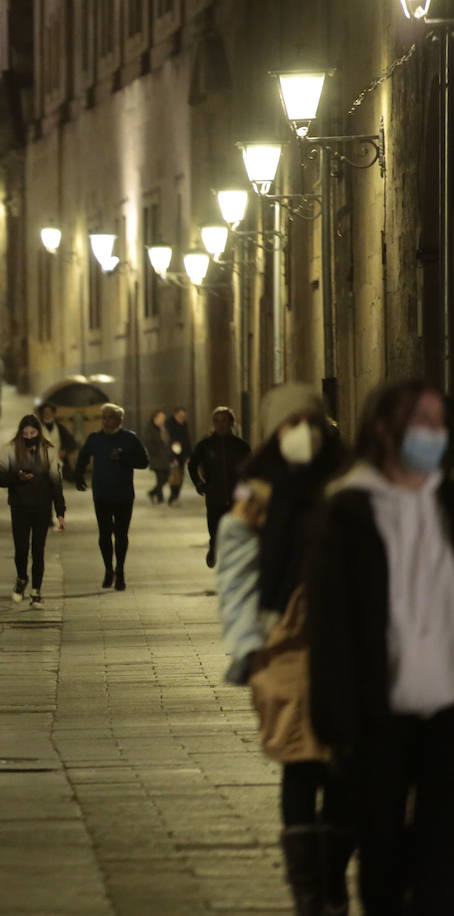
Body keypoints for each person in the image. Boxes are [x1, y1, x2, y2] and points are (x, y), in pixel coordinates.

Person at [309, 380, 454, 915]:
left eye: (439, 424)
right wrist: (336, 720)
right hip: (379, 710)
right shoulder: (350, 510)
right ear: (384, 429)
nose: (432, 435)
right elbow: (332, 624)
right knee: (383, 852)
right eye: (421, 423)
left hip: (447, 710)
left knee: (442, 856)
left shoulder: (447, 503)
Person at [216, 383, 352, 915]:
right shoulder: (258, 490)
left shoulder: (346, 482)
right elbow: (236, 569)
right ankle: (309, 893)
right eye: (290, 424)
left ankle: (332, 879)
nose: (302, 434)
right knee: (300, 760)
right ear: (275, 432)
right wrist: (248, 642)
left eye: (310, 423)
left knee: (342, 760)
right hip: (283, 643)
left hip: (342, 638)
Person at [74, 403, 150, 591]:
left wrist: (124, 458)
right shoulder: (95, 439)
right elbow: (83, 457)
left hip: (124, 495)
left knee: (122, 535)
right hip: (101, 494)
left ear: (119, 420)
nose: (106, 421)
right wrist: (79, 476)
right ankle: (109, 569)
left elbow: (144, 462)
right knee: (105, 535)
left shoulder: (129, 438)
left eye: (110, 417)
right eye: (104, 417)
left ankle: (120, 570)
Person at [0, 415, 66, 609]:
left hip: (42, 507)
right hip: (19, 506)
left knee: (38, 550)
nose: (28, 436)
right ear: (20, 433)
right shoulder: (10, 450)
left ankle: (36, 591)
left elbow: (55, 483)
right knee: (21, 548)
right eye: (25, 433)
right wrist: (17, 477)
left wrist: (60, 512)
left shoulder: (48, 451)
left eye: (32, 433)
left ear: (38, 433)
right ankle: (21, 577)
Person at [187, 406, 252, 568]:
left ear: (231, 422)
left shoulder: (241, 446)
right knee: (215, 529)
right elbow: (192, 464)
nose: (220, 424)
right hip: (214, 494)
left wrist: (245, 493)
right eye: (216, 421)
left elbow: (250, 470)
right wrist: (199, 484)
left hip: (236, 496)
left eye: (224, 421)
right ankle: (213, 546)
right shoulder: (206, 445)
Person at [37, 402, 78, 479]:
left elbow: (71, 442)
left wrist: (64, 450)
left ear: (53, 413)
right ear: (42, 414)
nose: (47, 414)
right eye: (45, 412)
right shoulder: (37, 428)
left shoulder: (60, 427)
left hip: (58, 458)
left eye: (49, 412)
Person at [144, 409, 174, 504]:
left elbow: (168, 442)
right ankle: (159, 498)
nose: (163, 420)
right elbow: (149, 443)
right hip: (157, 458)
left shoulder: (164, 428)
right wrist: (155, 452)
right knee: (161, 478)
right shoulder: (151, 429)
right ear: (155, 418)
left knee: (165, 478)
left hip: (165, 458)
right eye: (161, 418)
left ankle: (152, 493)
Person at [165, 406, 192, 505]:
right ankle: (173, 496)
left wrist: (188, 455)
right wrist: (173, 457)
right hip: (173, 455)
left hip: (182, 454)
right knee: (174, 477)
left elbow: (187, 439)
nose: (182, 418)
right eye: (180, 416)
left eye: (183, 416)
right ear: (175, 415)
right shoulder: (169, 424)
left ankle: (175, 496)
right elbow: (168, 441)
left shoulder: (184, 424)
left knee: (180, 476)